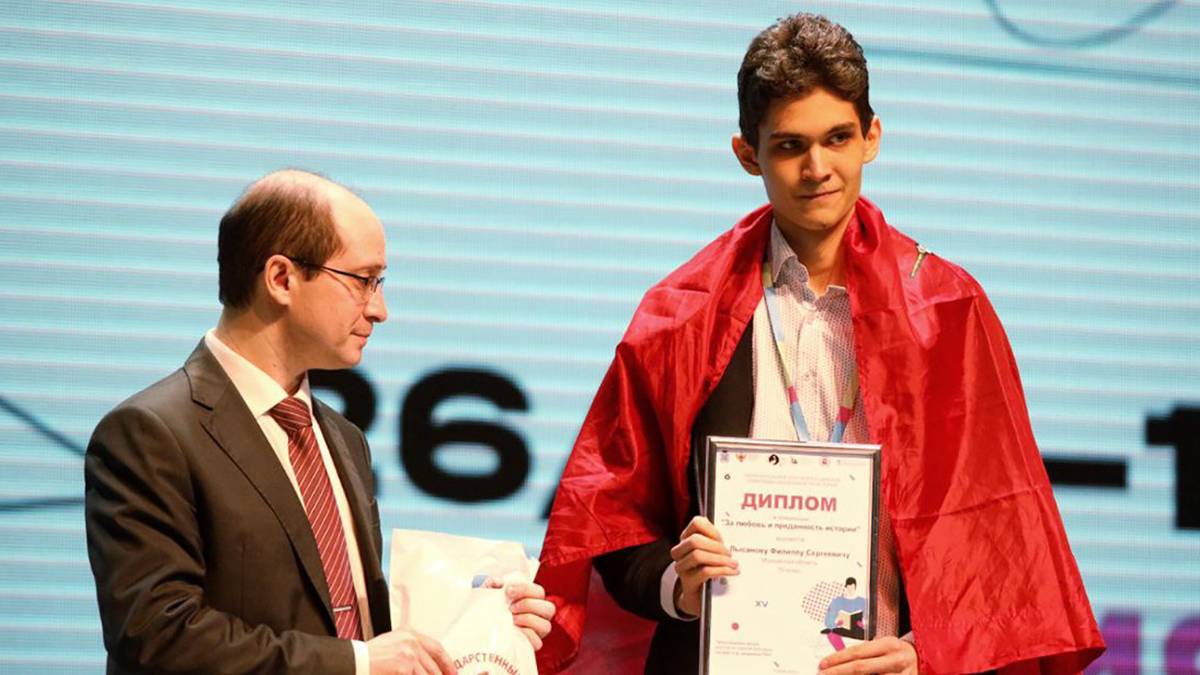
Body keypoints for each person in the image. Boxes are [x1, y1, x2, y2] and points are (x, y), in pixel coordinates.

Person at [537, 13, 1104, 675]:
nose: (817, 169)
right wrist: (679, 586)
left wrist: (924, 654)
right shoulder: (681, 315)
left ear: (872, 138)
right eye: (789, 146)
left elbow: (1001, 538)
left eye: (837, 138)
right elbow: (610, 522)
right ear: (748, 154)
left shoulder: (947, 309)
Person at [85, 170, 555, 675]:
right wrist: (357, 663)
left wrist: (481, 620)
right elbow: (158, 637)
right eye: (363, 280)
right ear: (281, 278)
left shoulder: (344, 439)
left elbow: (353, 628)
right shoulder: (149, 433)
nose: (380, 309)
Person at [823, 578, 867, 651]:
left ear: (855, 588)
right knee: (831, 633)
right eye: (849, 588)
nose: (850, 591)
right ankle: (843, 652)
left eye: (852, 588)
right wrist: (836, 622)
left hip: (857, 629)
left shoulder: (863, 601)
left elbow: (868, 619)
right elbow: (828, 620)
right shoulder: (837, 601)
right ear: (845, 587)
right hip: (841, 628)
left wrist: (862, 624)